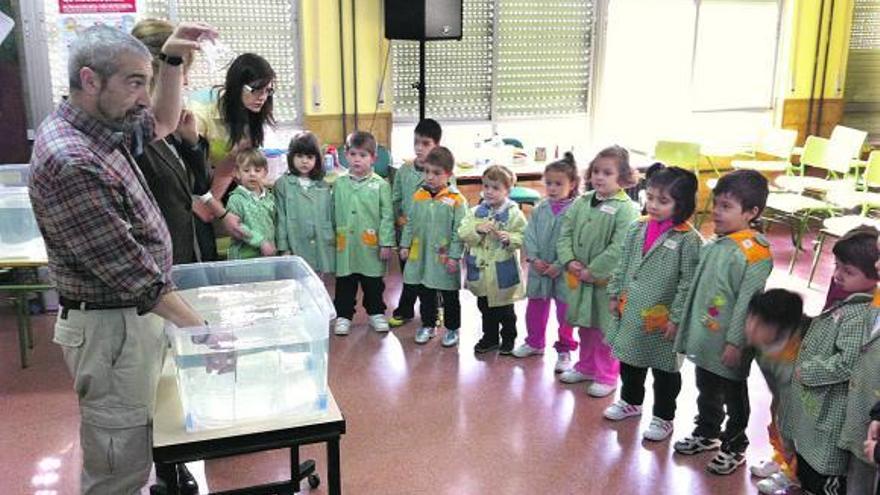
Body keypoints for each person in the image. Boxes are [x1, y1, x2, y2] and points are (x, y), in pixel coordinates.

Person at [28, 23, 212, 494]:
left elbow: (164, 122)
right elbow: (138, 279)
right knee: (118, 470)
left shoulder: (101, 127)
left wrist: (170, 62)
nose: (144, 97)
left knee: (138, 443)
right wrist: (208, 335)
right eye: (135, 82)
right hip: (112, 330)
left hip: (134, 317)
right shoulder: (72, 159)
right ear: (91, 80)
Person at [673, 169, 772, 475]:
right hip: (706, 339)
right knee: (706, 388)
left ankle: (735, 445)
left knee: (734, 396)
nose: (716, 211)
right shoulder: (716, 244)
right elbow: (694, 288)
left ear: (752, 212)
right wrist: (680, 321)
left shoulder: (755, 253)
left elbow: (747, 303)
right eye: (716, 204)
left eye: (726, 207)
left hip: (731, 344)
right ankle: (707, 433)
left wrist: (735, 343)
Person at [131, 18, 244, 265]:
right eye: (181, 72)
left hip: (193, 247)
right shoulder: (134, 134)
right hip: (164, 260)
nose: (185, 82)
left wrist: (192, 143)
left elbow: (199, 183)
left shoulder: (176, 126)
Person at [603, 166, 702, 442]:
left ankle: (663, 417)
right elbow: (623, 263)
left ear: (681, 205)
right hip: (631, 309)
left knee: (664, 370)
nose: (653, 205)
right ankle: (631, 401)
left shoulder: (688, 240)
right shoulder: (638, 226)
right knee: (629, 360)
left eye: (663, 201)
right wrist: (614, 293)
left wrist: (677, 318)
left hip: (663, 319)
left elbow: (688, 283)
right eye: (650, 197)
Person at [789, 226, 877, 495]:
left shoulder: (860, 313)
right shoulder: (848, 301)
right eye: (837, 266)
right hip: (818, 403)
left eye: (848, 271)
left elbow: (846, 362)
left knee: (823, 472)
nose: (837, 275)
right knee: (806, 458)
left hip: (833, 408)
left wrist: (808, 372)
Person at [556, 145, 639, 397]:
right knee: (586, 324)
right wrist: (569, 260)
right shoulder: (581, 202)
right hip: (579, 278)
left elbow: (620, 247)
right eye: (596, 171)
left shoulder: (627, 209)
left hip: (605, 283)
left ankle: (607, 375)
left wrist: (593, 271)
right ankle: (586, 366)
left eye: (607, 173)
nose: (599, 177)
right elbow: (565, 233)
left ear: (622, 178)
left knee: (605, 328)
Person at [512, 152, 580, 372]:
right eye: (548, 183)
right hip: (539, 268)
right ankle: (534, 342)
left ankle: (564, 349)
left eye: (558, 184)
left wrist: (559, 265)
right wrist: (533, 258)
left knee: (565, 312)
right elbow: (529, 234)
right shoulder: (540, 208)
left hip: (564, 270)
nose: (552, 188)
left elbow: (576, 241)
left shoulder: (577, 211)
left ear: (573, 184)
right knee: (535, 307)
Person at [399, 146, 467, 346]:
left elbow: (460, 232)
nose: (430, 177)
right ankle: (428, 324)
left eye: (437, 173)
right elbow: (410, 223)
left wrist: (455, 256)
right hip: (421, 255)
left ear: (449, 175)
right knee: (425, 291)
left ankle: (453, 329)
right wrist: (404, 244)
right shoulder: (419, 195)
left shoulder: (456, 200)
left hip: (445, 258)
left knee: (449, 295)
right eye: (427, 172)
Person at [458, 165, 527, 354]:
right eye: (486, 186)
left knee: (505, 310)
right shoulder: (475, 212)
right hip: (481, 271)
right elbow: (463, 232)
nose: (489, 191)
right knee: (485, 307)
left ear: (507, 190)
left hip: (501, 271)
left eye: (495, 188)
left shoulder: (514, 214)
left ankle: (508, 339)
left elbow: (524, 236)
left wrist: (511, 239)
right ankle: (490, 338)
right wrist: (477, 229)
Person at [744, 289, 807, 494]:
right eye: (751, 318)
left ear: (783, 329)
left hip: (802, 407)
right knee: (778, 428)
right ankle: (782, 460)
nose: (751, 327)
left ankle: (793, 476)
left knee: (793, 435)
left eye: (761, 323)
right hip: (781, 398)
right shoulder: (765, 343)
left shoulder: (797, 353)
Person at [332, 131, 395, 335]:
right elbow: (331, 212)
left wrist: (386, 242)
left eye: (363, 155)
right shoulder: (339, 184)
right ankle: (343, 315)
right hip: (346, 243)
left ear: (373, 158)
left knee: (373, 282)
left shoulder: (381, 185)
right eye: (353, 154)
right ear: (346, 155)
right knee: (345, 282)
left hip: (371, 245)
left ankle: (376, 313)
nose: (357, 159)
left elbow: (387, 216)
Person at [191, 53, 276, 200]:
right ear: (236, 86)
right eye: (255, 90)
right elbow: (194, 171)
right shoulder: (200, 114)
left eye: (268, 90)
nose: (262, 97)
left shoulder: (253, 113)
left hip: (228, 183)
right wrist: (214, 211)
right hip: (199, 186)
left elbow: (236, 166)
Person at [275, 131, 335, 274]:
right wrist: (283, 248)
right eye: (299, 156)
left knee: (317, 283)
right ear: (291, 157)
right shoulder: (283, 184)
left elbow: (330, 216)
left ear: (317, 159)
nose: (305, 161)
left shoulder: (323, 184)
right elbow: (280, 218)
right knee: (297, 283)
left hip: (321, 243)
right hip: (295, 245)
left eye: (309, 157)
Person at [226, 148, 276, 259]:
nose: (252, 174)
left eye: (257, 170)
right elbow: (236, 227)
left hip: (268, 257)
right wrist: (261, 242)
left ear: (265, 172)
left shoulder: (270, 198)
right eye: (246, 170)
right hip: (244, 259)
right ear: (238, 173)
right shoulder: (235, 199)